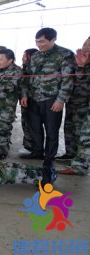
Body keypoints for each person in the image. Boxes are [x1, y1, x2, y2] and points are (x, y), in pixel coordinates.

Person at [20, 28, 76, 167]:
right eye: (37, 42)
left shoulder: (65, 54)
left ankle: (49, 157)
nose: (39, 45)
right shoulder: (36, 56)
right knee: (35, 128)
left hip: (52, 100)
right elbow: (27, 77)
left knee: (51, 130)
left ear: (53, 39)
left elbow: (68, 79)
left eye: (42, 41)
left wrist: (60, 99)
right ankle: (37, 151)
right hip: (34, 98)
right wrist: (25, 94)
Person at [58, 37, 90, 176]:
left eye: (89, 45)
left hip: (85, 104)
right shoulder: (80, 61)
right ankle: (71, 155)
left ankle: (79, 166)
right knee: (70, 129)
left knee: (85, 135)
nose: (86, 46)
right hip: (74, 101)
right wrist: (82, 66)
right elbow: (76, 80)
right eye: (85, 44)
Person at [20, 48, 38, 152]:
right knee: (26, 122)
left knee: (29, 123)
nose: (23, 58)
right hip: (25, 99)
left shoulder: (31, 69)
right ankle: (28, 145)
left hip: (30, 99)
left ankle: (31, 147)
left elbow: (25, 84)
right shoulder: (26, 68)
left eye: (25, 56)